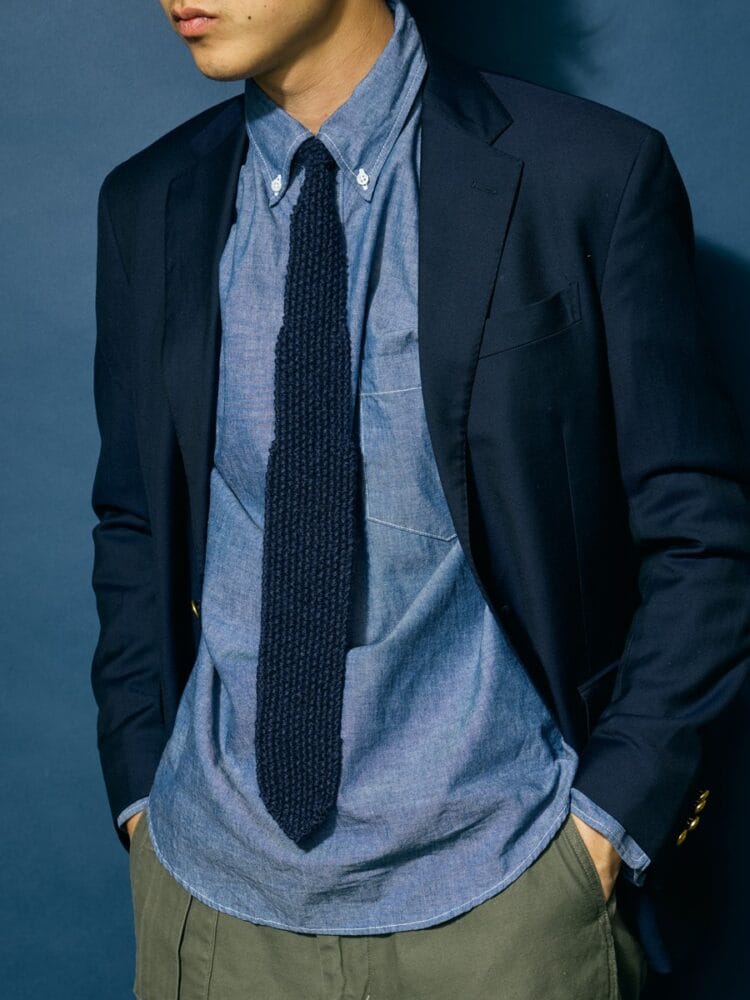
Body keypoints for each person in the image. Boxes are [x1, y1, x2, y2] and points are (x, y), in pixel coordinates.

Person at [89, 0, 750, 997]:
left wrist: (608, 822)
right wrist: (142, 793)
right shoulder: (149, 203)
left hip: (508, 908)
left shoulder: (588, 174)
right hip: (212, 901)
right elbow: (135, 524)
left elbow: (701, 531)